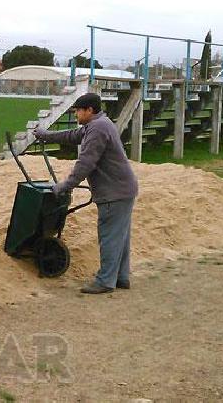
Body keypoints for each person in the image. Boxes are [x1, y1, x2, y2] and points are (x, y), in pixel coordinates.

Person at [33, 93, 139, 294]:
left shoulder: (98, 128)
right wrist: (46, 135)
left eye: (77, 111)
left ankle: (105, 281)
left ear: (89, 110)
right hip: (123, 189)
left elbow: (86, 163)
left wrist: (64, 186)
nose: (75, 114)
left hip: (114, 192)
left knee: (109, 236)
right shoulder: (100, 124)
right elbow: (73, 135)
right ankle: (121, 277)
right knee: (120, 236)